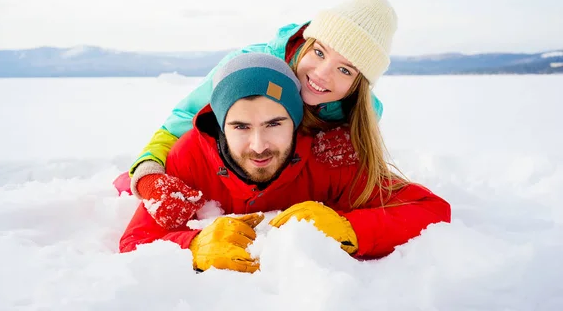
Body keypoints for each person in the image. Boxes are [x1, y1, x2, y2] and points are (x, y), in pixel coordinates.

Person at [119, 53, 451, 273]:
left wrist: (348, 229)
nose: (259, 146)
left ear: (297, 121)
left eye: (275, 124)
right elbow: (134, 241)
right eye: (240, 127)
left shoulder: (329, 157)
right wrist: (193, 246)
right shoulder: (191, 154)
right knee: (125, 186)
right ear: (221, 127)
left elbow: (431, 209)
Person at [128, 0, 399, 204]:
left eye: (344, 69)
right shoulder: (250, 70)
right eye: (319, 52)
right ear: (307, 42)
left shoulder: (361, 113)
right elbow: (185, 119)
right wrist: (149, 173)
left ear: (358, 85)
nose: (321, 74)